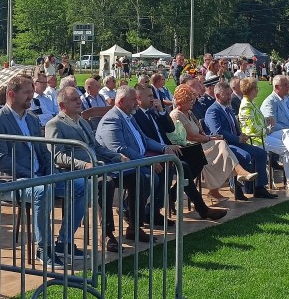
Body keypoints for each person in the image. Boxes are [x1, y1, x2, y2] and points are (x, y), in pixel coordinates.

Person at [0, 75, 87, 266]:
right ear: (11, 94)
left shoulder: (31, 118)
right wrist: (32, 175)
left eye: (32, 91)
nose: (31, 96)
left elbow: (43, 151)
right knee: (43, 191)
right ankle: (43, 249)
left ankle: (64, 243)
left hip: (40, 177)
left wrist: (50, 172)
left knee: (81, 185)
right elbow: (1, 160)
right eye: (27, 92)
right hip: (11, 181)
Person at [45, 86, 126, 252]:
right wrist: (84, 165)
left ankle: (136, 222)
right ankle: (107, 233)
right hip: (74, 172)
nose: (79, 101)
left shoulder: (83, 122)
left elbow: (97, 147)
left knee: (135, 174)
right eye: (74, 99)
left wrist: (117, 156)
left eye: (78, 98)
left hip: (96, 167)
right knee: (106, 183)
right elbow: (57, 156)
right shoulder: (55, 124)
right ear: (62, 105)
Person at [133, 83, 226, 221]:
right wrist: (164, 148)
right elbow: (144, 140)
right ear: (139, 98)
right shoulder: (136, 115)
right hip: (155, 153)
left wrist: (162, 111)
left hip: (169, 148)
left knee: (196, 158)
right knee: (185, 166)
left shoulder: (153, 112)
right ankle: (199, 208)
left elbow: (170, 129)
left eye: (153, 95)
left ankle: (172, 198)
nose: (153, 99)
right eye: (150, 96)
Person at [95, 86, 178, 241]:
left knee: (167, 167)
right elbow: (119, 149)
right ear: (121, 102)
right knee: (148, 177)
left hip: (136, 161)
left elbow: (144, 139)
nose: (136, 103)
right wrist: (147, 162)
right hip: (118, 166)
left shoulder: (129, 116)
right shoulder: (112, 119)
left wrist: (163, 148)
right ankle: (131, 217)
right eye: (133, 100)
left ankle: (151, 212)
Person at [169, 84, 255, 205]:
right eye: (189, 100)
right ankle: (237, 173)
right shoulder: (176, 115)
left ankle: (223, 184)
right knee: (220, 145)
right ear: (181, 101)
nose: (193, 102)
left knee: (220, 145)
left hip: (199, 146)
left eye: (193, 99)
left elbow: (200, 132)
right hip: (188, 149)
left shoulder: (190, 113)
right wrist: (209, 138)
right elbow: (190, 136)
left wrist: (211, 138)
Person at [204, 81, 275, 200]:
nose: (230, 97)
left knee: (261, 153)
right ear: (218, 95)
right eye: (227, 94)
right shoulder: (213, 111)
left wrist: (241, 134)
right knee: (245, 156)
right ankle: (238, 189)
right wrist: (237, 138)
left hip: (236, 142)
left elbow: (234, 126)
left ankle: (260, 188)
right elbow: (218, 132)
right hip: (223, 146)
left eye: (230, 93)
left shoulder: (228, 108)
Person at [239, 77, 289, 192]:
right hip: (256, 139)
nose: (258, 90)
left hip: (263, 136)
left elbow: (259, 122)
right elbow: (252, 128)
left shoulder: (252, 104)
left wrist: (266, 121)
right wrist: (266, 126)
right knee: (288, 147)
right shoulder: (247, 105)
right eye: (256, 88)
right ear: (251, 90)